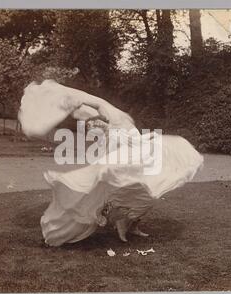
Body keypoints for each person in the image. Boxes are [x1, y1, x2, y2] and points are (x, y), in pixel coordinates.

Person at [18, 80, 204, 246]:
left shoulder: (102, 108)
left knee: (148, 190)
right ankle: (122, 222)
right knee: (137, 186)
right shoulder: (98, 115)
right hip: (126, 147)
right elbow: (103, 127)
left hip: (133, 142)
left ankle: (128, 224)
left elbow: (99, 113)